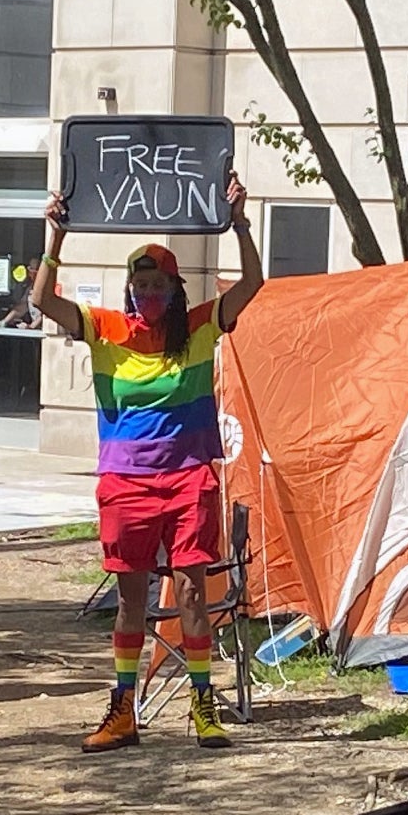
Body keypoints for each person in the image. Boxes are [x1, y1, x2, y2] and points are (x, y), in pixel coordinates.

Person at [31, 173, 262, 752]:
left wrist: (240, 223)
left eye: (158, 283)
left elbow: (256, 282)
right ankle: (123, 710)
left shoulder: (202, 326)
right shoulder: (106, 327)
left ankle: (204, 707)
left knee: (191, 592)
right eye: (140, 283)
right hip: (126, 482)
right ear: (129, 288)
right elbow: (41, 301)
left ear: (176, 288)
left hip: (188, 479)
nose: (147, 293)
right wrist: (53, 238)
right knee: (131, 599)